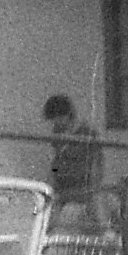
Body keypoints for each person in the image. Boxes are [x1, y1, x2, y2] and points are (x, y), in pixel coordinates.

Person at [43, 94, 104, 230]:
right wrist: (50, 184)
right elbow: (55, 164)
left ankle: (107, 233)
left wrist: (93, 186)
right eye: (53, 120)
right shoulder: (57, 134)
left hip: (84, 186)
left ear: (67, 115)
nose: (56, 123)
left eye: (59, 118)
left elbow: (96, 163)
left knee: (98, 207)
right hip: (62, 187)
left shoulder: (87, 133)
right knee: (48, 216)